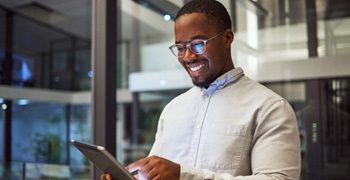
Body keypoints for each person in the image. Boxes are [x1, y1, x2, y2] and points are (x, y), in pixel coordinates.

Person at [102, 0, 301, 179]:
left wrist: (183, 175)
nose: (188, 56)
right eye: (180, 47)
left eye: (198, 44)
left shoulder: (269, 108)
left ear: (227, 38)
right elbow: (155, 174)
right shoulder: (173, 109)